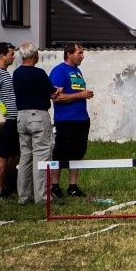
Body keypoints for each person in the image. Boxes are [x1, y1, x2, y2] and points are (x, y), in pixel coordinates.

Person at [13, 42, 61, 205]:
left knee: (25, 157)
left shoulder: (17, 73)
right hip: (38, 116)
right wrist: (56, 92)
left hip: (22, 116)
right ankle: (43, 197)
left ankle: (24, 196)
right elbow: (52, 93)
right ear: (34, 55)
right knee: (42, 156)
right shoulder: (39, 73)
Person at [49, 42, 94, 199]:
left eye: (82, 53)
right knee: (61, 153)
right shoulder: (59, 71)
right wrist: (79, 95)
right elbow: (56, 97)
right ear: (69, 54)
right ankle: (54, 186)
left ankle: (72, 186)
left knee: (77, 153)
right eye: (79, 53)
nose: (82, 56)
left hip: (81, 119)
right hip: (66, 120)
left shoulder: (77, 71)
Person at [0, 42, 19, 199]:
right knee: (2, 156)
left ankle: (6, 183)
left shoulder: (5, 73)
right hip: (4, 121)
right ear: (2, 56)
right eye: (11, 54)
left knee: (15, 155)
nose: (13, 56)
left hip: (12, 120)